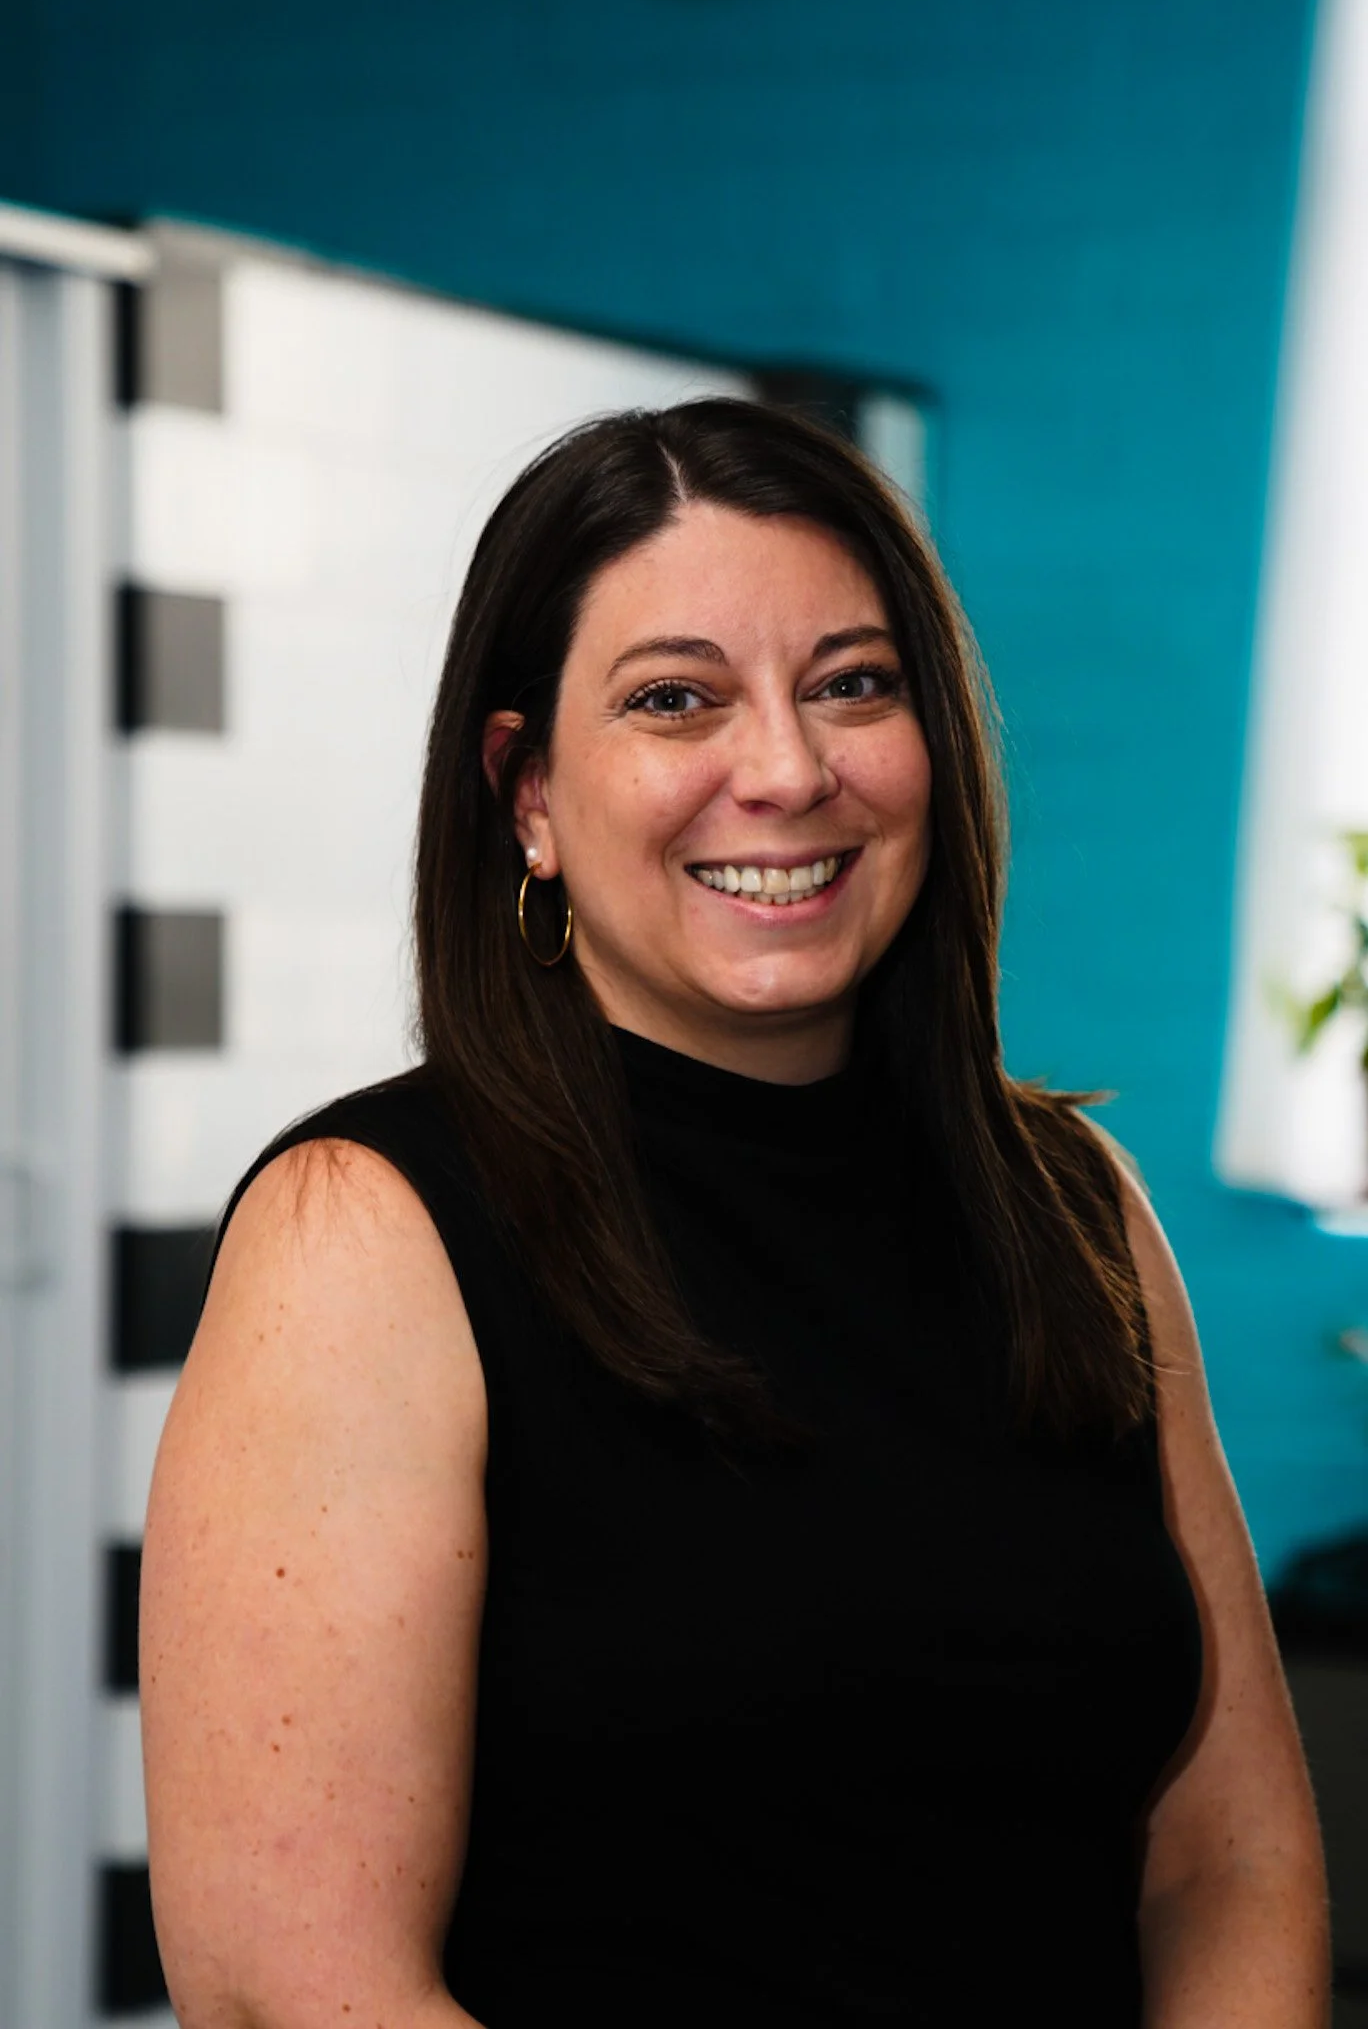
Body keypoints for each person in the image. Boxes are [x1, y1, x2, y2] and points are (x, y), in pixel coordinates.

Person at [140, 398, 1329, 2028]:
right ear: (528, 790)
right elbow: (294, 1988)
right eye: (674, 701)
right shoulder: (364, 1235)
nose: (783, 769)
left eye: (852, 684)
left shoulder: (1072, 1205)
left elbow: (1231, 1868)